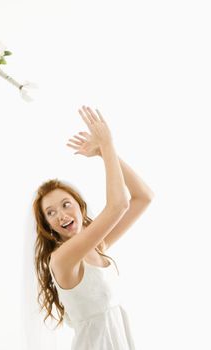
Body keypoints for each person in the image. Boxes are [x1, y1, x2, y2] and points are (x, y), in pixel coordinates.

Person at [29, 106, 154, 350]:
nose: (61, 215)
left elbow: (144, 197)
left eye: (66, 205)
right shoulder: (63, 258)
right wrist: (108, 145)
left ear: (80, 208)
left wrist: (104, 154)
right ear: (48, 227)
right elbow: (118, 205)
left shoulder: (98, 246)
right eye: (51, 213)